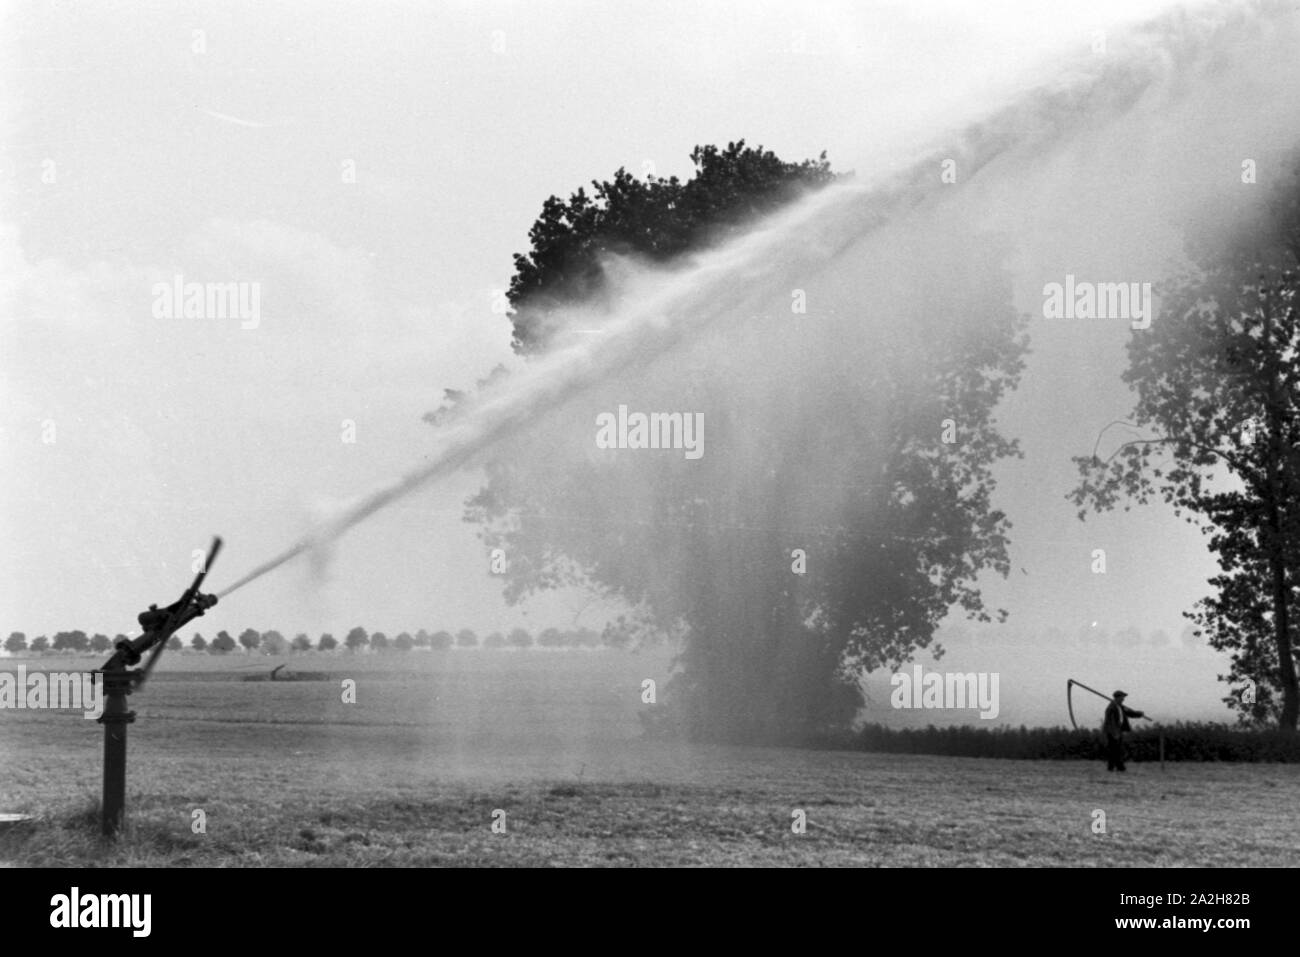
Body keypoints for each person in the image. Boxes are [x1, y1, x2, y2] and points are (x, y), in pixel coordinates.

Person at [1103, 690, 1145, 772]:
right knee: (1114, 749)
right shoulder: (1111, 707)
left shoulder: (1120, 707)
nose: (1123, 699)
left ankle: (1118, 767)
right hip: (1113, 731)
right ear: (1117, 697)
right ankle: (1114, 767)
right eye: (1122, 697)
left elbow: (1129, 713)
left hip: (1118, 730)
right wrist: (1114, 733)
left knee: (1118, 749)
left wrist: (1139, 714)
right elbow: (1110, 721)